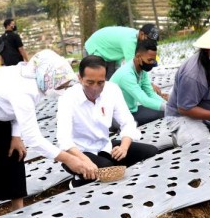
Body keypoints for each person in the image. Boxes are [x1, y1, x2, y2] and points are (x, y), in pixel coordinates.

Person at [0, 50, 95, 218]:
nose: (62, 90)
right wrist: (69, 159)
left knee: (15, 155)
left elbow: (15, 111)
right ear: (47, 77)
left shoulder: (35, 81)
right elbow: (34, 138)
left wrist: (15, 135)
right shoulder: (23, 91)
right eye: (61, 86)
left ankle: (18, 211)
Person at [56, 55, 158, 188]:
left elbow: (127, 123)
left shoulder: (112, 90)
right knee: (106, 168)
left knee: (151, 152)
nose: (95, 88)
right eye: (90, 82)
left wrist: (123, 147)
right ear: (80, 78)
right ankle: (78, 180)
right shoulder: (68, 98)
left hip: (104, 146)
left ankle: (99, 172)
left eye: (100, 82)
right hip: (79, 151)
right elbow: (64, 140)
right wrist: (85, 161)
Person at [110, 39, 166, 126]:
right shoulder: (126, 75)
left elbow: (150, 93)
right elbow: (144, 100)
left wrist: (168, 105)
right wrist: (171, 108)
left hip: (131, 110)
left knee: (164, 109)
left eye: (154, 60)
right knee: (164, 112)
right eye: (150, 60)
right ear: (138, 56)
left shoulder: (141, 70)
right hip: (117, 117)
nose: (152, 63)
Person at [84, 24, 159, 80]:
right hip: (95, 48)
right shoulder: (129, 41)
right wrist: (148, 85)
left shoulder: (138, 39)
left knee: (112, 83)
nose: (150, 43)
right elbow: (134, 65)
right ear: (142, 34)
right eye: (149, 40)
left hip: (109, 53)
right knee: (95, 80)